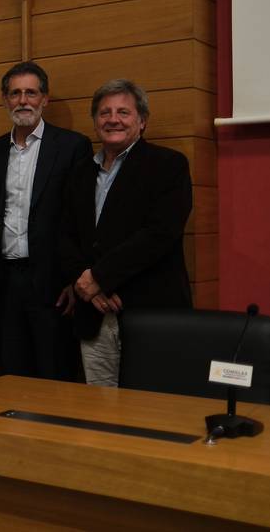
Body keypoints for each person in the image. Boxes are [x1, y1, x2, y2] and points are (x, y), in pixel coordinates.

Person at [61, 79, 192, 386]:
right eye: (104, 113)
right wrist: (84, 283)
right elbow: (64, 236)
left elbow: (160, 234)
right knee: (102, 409)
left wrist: (100, 278)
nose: (113, 119)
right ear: (95, 122)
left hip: (149, 310)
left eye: (123, 112)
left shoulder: (169, 165)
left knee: (154, 406)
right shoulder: (79, 172)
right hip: (93, 314)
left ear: (142, 121)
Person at [0, 61, 92, 381]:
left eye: (31, 92)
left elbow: (82, 218)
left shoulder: (73, 147)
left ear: (46, 99)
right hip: (5, 283)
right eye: (15, 93)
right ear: (5, 100)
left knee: (55, 373)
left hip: (53, 284)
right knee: (12, 372)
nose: (23, 100)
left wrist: (75, 278)